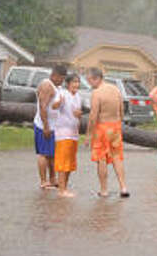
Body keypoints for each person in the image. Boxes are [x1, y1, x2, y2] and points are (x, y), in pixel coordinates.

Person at [86, 67, 130, 198]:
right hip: (116, 127)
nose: (89, 84)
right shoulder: (116, 89)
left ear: (96, 78)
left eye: (89, 80)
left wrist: (88, 134)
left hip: (102, 129)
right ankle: (123, 187)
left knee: (101, 159)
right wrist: (118, 124)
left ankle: (104, 190)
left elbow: (93, 116)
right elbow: (122, 110)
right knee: (117, 157)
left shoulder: (97, 93)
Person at [34, 64, 67, 189]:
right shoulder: (47, 85)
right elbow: (43, 107)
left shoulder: (56, 87)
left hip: (54, 126)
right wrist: (46, 126)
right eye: (61, 78)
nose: (62, 81)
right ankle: (43, 181)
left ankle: (53, 179)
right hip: (44, 125)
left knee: (52, 154)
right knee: (43, 154)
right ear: (54, 75)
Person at [52, 73, 83, 197]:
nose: (76, 84)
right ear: (68, 83)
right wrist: (59, 103)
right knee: (63, 161)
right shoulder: (62, 93)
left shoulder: (78, 97)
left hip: (74, 132)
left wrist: (79, 115)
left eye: (78, 82)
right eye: (74, 82)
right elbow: (54, 106)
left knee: (70, 162)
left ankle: (65, 187)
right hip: (63, 132)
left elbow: (78, 114)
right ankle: (61, 190)